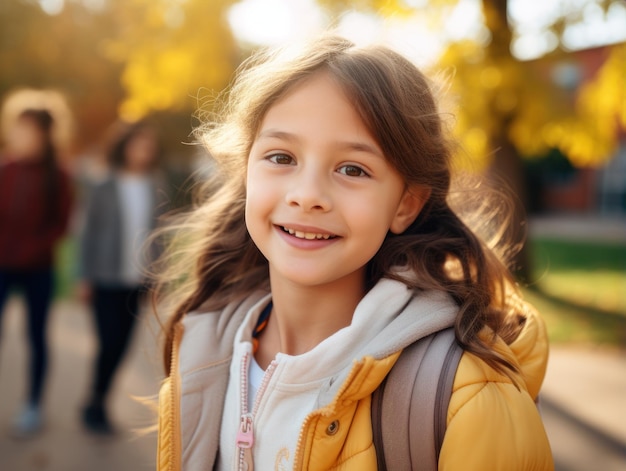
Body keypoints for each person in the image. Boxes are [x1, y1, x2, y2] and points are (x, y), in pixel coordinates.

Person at [154, 35, 553, 470]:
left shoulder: (468, 397)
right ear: (246, 169)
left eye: (352, 169)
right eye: (281, 156)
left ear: (405, 204)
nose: (307, 196)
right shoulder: (202, 358)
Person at [78, 120, 164, 434]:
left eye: (149, 145)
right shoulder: (104, 184)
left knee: (122, 345)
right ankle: (96, 402)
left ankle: (96, 402)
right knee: (109, 342)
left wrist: (159, 277)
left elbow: (159, 234)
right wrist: (83, 277)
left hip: (138, 280)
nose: (145, 150)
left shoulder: (155, 184)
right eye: (139, 143)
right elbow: (87, 233)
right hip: (104, 277)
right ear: (124, 146)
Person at [0, 108, 73, 437]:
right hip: (2, 266)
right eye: (18, 130)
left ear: (45, 136)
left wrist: (32, 248)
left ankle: (32, 404)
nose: (21, 137)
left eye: (29, 131)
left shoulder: (58, 176)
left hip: (38, 269)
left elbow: (61, 224)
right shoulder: (5, 170)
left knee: (37, 337)